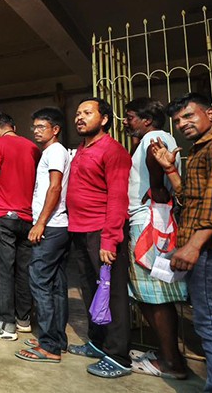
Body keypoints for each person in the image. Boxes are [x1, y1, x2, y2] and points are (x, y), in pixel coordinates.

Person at [149, 92, 212, 391]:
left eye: (189, 116)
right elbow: (192, 200)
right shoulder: (201, 151)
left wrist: (194, 245)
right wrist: (171, 171)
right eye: (177, 121)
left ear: (210, 114)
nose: (183, 124)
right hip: (208, 250)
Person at [121, 97, 188, 379]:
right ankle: (166, 354)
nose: (126, 122)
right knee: (148, 294)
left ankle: (171, 363)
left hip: (148, 222)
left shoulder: (154, 137)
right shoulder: (152, 137)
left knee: (154, 295)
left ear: (147, 120)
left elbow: (155, 162)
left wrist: (157, 186)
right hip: (150, 218)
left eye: (130, 116)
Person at [66, 98, 133, 378]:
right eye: (78, 113)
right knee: (91, 290)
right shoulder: (83, 148)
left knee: (113, 293)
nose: (80, 117)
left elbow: (118, 197)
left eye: (87, 113)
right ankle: (98, 342)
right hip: (80, 230)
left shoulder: (113, 150)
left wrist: (110, 239)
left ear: (104, 119)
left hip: (101, 231)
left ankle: (118, 356)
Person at [0, 112, 40, 340]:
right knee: (23, 270)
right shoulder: (33, 147)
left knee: (3, 269)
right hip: (28, 217)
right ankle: (23, 320)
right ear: (14, 125)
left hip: (3, 214)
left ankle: (5, 323)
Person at [15, 107, 71, 363]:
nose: (35, 131)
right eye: (34, 127)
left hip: (51, 226)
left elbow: (55, 188)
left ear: (55, 129)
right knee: (56, 285)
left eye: (41, 127)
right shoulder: (50, 152)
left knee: (39, 282)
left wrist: (40, 223)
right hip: (57, 226)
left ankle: (49, 346)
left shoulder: (55, 152)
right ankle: (57, 339)